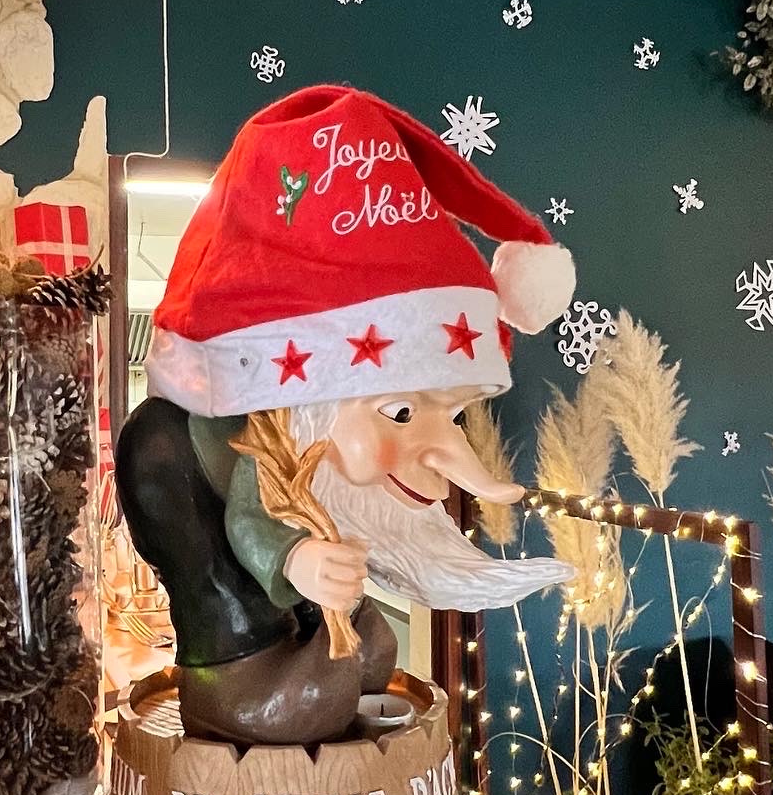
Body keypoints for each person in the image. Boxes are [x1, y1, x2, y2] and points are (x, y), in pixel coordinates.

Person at [117, 85, 574, 744]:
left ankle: (312, 633)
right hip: (233, 606)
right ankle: (239, 673)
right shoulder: (266, 441)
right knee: (307, 681)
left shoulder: (322, 457)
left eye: (451, 417)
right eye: (399, 411)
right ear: (319, 399)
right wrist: (296, 560)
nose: (441, 455)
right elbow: (252, 517)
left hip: (308, 599)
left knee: (367, 650)